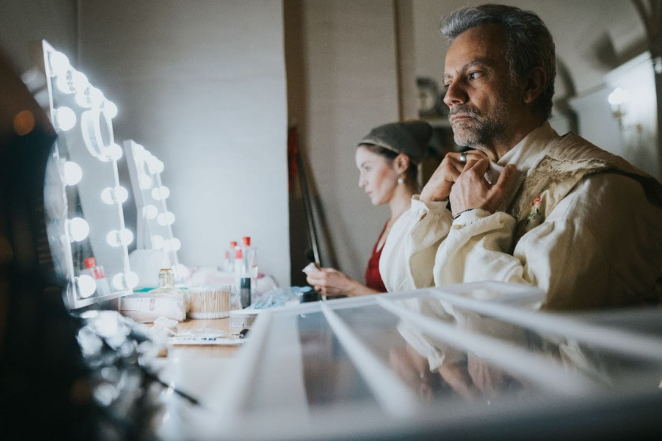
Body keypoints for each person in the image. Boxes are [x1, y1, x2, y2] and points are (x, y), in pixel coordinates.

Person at [380, 4, 662, 310]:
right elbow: (405, 289)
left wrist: (470, 220)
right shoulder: (462, 181)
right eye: (449, 82)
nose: (450, 97)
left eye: (473, 75)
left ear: (530, 85)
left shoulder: (598, 188)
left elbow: (523, 314)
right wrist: (431, 203)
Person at [306, 121, 433, 297]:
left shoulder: (420, 224)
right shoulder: (391, 223)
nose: (361, 182)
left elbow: (417, 308)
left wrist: (349, 287)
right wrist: (342, 284)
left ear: (400, 164)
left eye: (367, 168)